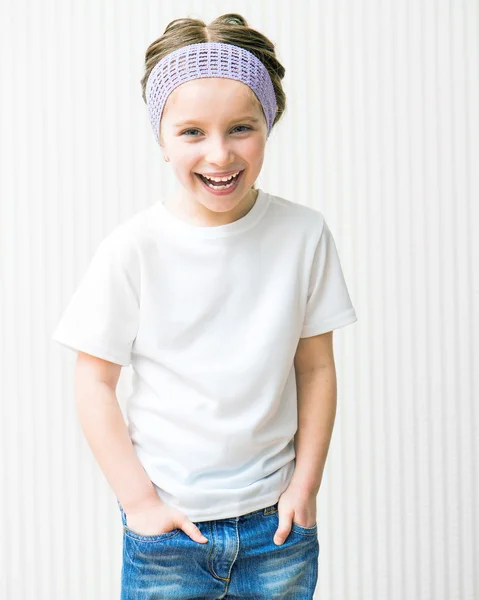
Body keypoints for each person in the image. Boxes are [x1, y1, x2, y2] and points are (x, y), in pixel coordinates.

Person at [52, 12, 358, 600]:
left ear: (268, 126)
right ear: (162, 140)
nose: (220, 154)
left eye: (241, 127)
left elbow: (316, 366)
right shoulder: (133, 249)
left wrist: (305, 488)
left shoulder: (304, 235)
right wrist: (140, 504)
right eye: (192, 132)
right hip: (169, 532)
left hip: (277, 525)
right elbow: (93, 381)